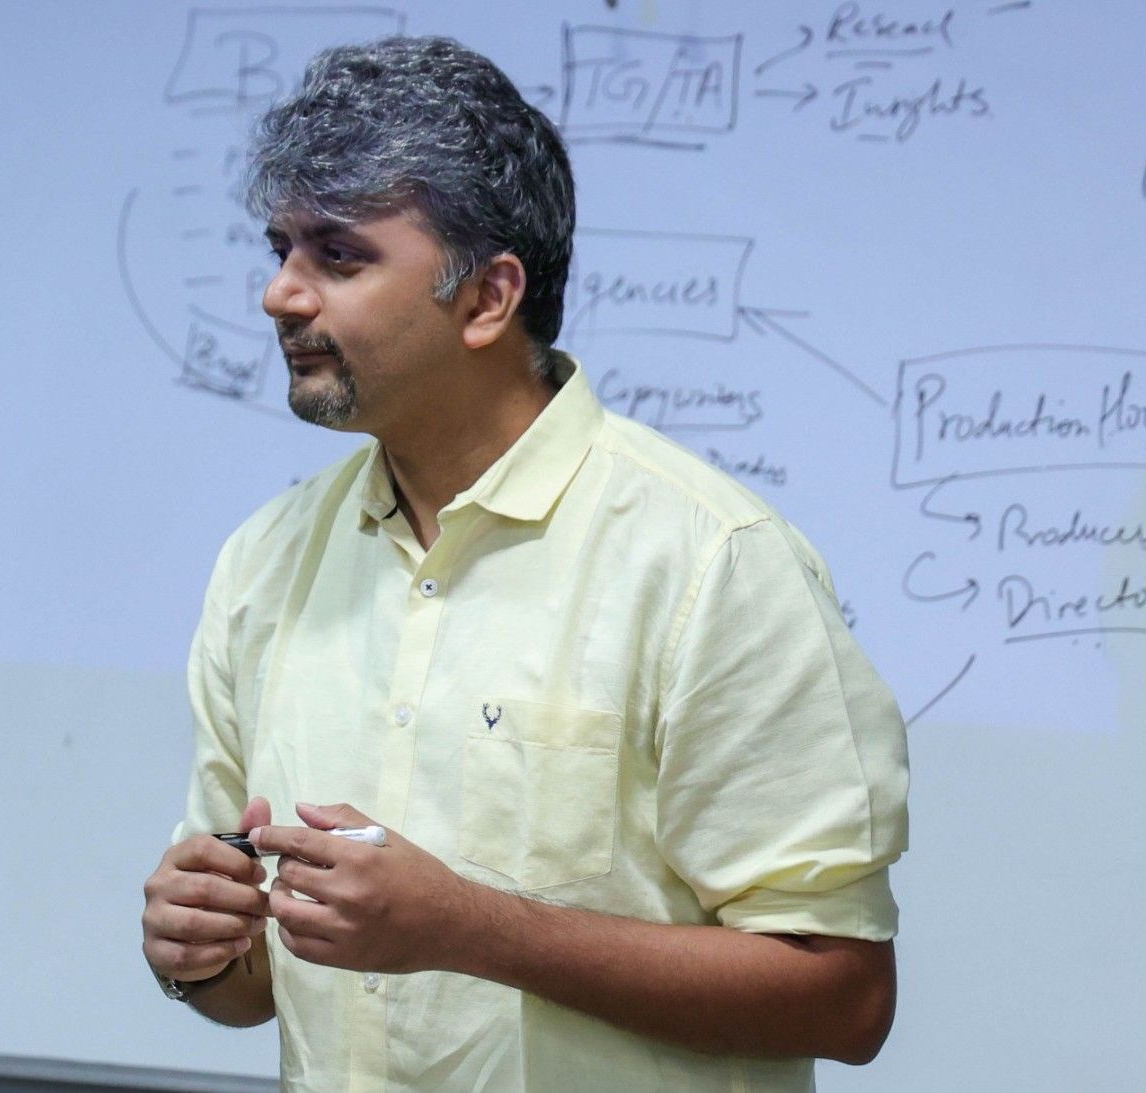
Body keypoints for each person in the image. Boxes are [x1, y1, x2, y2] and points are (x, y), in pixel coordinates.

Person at [142, 35, 908, 1092]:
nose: (280, 293)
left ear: (487, 298)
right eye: (280, 249)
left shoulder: (707, 562)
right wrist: (197, 949)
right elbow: (252, 985)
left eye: (338, 256)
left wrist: (467, 927)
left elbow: (844, 997)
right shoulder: (265, 561)